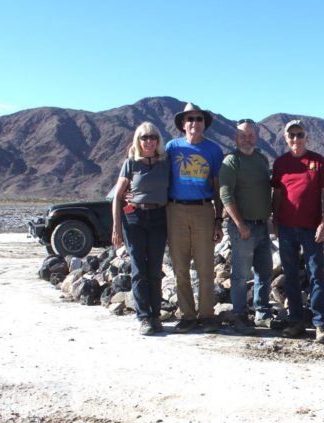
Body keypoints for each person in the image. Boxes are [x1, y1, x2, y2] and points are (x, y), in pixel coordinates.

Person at [272, 120, 324, 343]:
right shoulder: (280, 163)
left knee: (316, 274)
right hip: (287, 227)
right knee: (290, 276)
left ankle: (320, 324)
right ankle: (296, 321)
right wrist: (275, 222)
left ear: (306, 137)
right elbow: (277, 195)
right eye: (292, 136)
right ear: (286, 139)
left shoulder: (317, 161)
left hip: (311, 227)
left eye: (299, 135)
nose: (296, 139)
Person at [165, 103, 224, 333]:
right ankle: (188, 315)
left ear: (204, 124)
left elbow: (219, 186)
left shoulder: (214, 150)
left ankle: (207, 315)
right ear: (183, 124)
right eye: (190, 119)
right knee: (180, 266)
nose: (194, 123)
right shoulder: (171, 148)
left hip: (204, 210)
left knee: (205, 266)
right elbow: (158, 175)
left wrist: (219, 219)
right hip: (175, 210)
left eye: (199, 119)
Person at [111, 122, 170, 336]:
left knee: (154, 269)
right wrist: (117, 227)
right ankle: (143, 317)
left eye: (153, 137)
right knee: (138, 268)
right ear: (138, 140)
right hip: (134, 217)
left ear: (158, 140)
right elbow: (118, 197)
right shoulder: (131, 163)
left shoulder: (166, 163)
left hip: (159, 217)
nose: (149, 141)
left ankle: (156, 315)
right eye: (144, 137)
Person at [219, 119, 274, 335]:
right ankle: (240, 315)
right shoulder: (231, 162)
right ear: (235, 138)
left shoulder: (261, 159)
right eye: (242, 135)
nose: (246, 138)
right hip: (243, 226)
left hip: (262, 225)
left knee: (265, 271)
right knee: (240, 275)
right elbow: (225, 194)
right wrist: (239, 223)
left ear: (256, 136)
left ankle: (262, 313)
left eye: (250, 134)